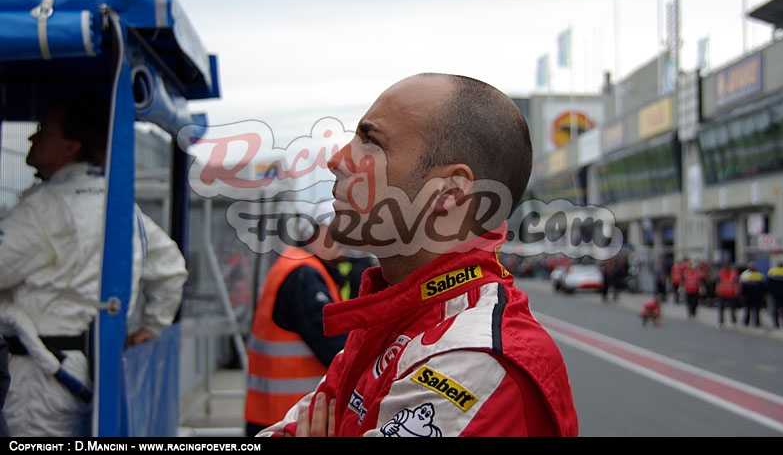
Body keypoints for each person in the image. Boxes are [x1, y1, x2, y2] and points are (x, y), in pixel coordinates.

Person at [258, 72, 579, 437]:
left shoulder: (474, 358)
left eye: (370, 142)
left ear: (448, 192)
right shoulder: (394, 317)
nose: (338, 159)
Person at [0, 92, 188, 437]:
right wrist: (153, 325)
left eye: (44, 130)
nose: (32, 137)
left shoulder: (43, 208)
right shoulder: (122, 208)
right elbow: (172, 268)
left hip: (36, 375)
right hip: (89, 369)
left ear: (70, 146)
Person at [244, 200, 354, 436]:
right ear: (310, 232)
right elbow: (336, 347)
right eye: (333, 231)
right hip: (290, 419)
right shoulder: (304, 275)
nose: (342, 239)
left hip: (282, 415)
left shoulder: (297, 265)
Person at [766, 261, 783, 329]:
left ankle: (776, 323)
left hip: (775, 294)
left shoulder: (771, 272)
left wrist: (769, 292)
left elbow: (769, 284)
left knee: (775, 308)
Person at [739, 261, 766, 328]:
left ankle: (746, 322)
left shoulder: (746, 276)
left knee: (748, 309)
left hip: (749, 296)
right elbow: (763, 287)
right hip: (756, 296)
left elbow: (743, 287)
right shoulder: (760, 275)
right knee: (756, 310)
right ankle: (756, 322)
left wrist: (742, 295)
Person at [716, 261, 740, 328]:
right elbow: (718, 282)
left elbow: (736, 283)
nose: (726, 268)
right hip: (722, 292)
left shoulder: (734, 273)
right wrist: (717, 290)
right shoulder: (721, 272)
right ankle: (720, 321)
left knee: (732, 308)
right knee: (721, 308)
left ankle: (733, 322)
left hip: (731, 293)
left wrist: (737, 290)